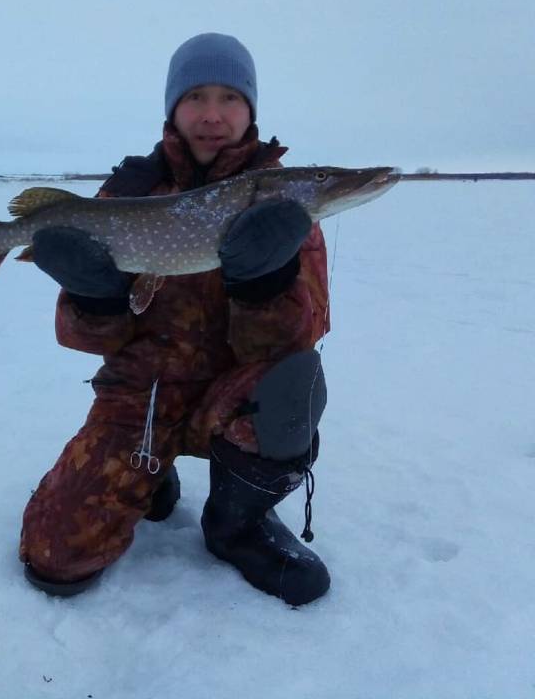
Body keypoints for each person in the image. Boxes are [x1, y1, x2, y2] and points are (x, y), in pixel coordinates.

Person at [18, 33, 331, 605]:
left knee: (294, 387)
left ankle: (237, 527)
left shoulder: (286, 211)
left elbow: (304, 339)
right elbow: (81, 336)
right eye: (195, 98)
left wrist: (264, 282)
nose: (212, 115)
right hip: (144, 396)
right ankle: (150, 476)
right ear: (172, 108)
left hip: (236, 399)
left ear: (252, 109)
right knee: (54, 558)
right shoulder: (126, 196)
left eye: (230, 98)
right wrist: (97, 297)